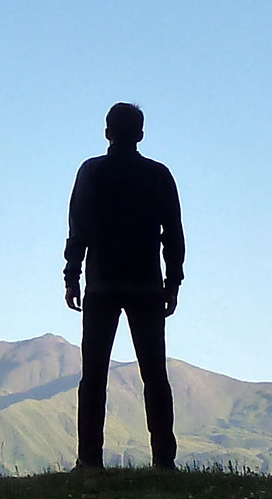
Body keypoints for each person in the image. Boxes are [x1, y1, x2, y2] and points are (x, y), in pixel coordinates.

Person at [64, 102, 186, 471]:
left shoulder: (92, 171)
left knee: (94, 375)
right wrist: (173, 281)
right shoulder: (159, 174)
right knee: (154, 376)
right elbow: (174, 235)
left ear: (107, 132)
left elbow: (79, 228)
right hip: (146, 286)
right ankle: (164, 460)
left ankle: (89, 460)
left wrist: (72, 275)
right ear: (141, 134)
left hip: (101, 285)